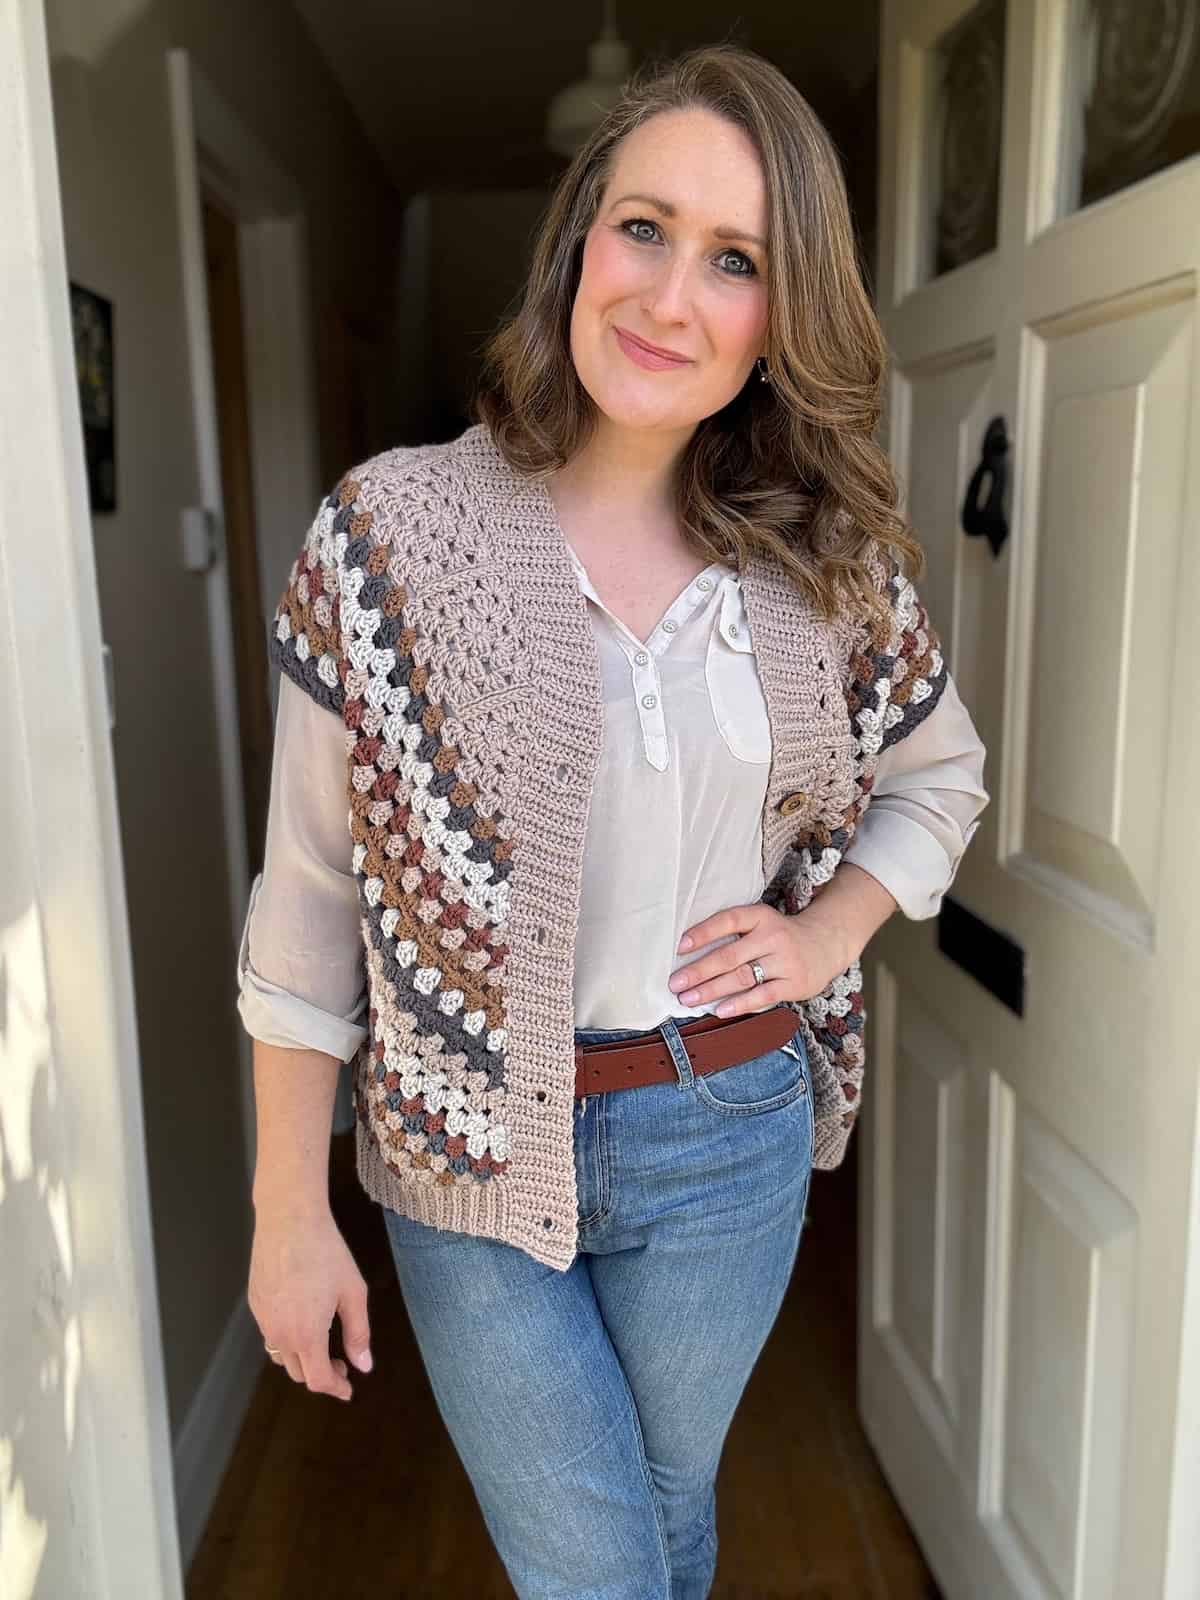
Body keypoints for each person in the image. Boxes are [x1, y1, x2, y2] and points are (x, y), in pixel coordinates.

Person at [238, 41, 988, 1600]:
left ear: (783, 321)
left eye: (737, 262)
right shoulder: (391, 539)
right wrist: (285, 1210)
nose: (668, 298)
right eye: (644, 228)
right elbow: (310, 896)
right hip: (463, 1148)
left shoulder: (824, 569)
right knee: (600, 1565)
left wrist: (825, 930)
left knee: (660, 1518)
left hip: (726, 1136)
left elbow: (939, 776)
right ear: (578, 236)